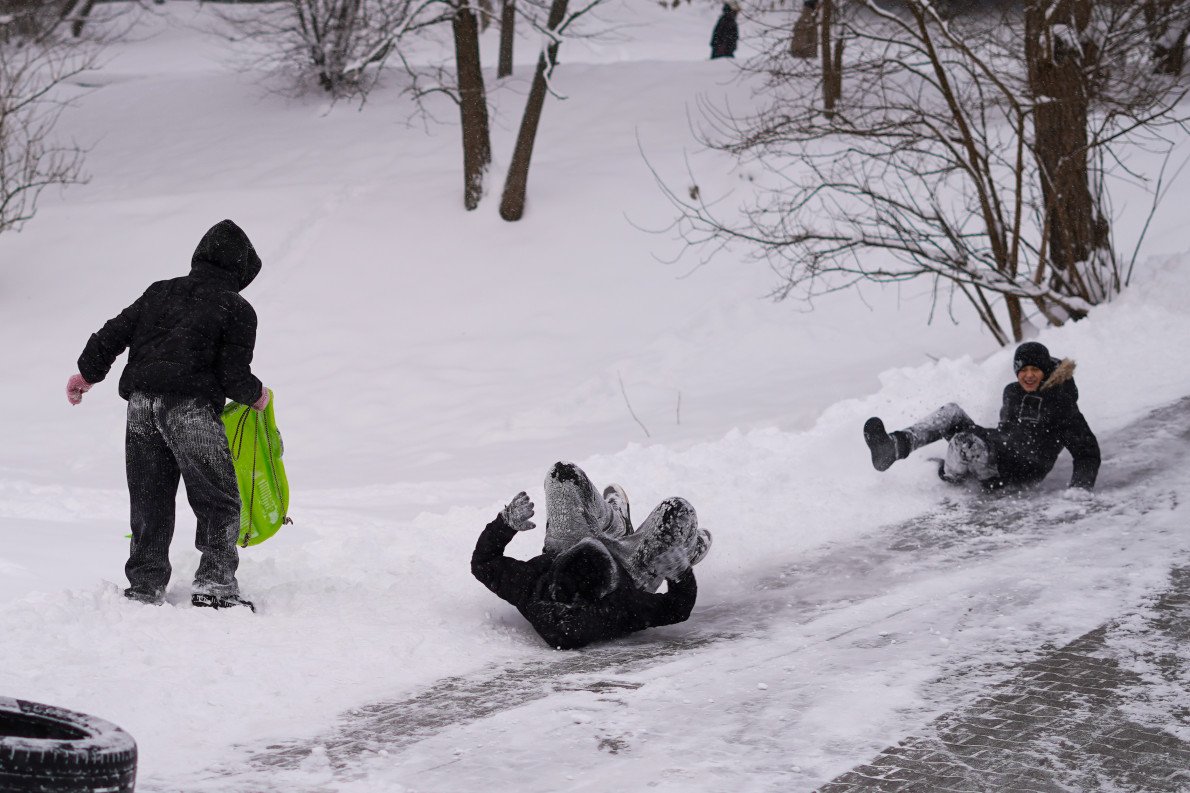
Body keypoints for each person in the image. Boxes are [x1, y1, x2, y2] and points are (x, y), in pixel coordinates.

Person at [66, 219, 269, 611]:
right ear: (242, 270)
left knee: (149, 498)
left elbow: (111, 333)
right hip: (189, 409)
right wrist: (255, 395)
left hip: (141, 406)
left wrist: (87, 374)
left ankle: (145, 586)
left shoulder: (160, 292)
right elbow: (233, 375)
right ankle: (215, 586)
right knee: (218, 499)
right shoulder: (238, 308)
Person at [471, 461, 712, 649]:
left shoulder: (533, 581)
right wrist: (680, 573)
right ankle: (687, 549)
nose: (595, 539)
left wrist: (505, 523)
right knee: (677, 510)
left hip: (565, 555)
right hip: (630, 571)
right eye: (600, 544)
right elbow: (677, 609)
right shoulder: (620, 607)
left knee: (562, 474)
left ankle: (615, 522)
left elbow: (483, 564)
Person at [863, 341, 1100, 491]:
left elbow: (1087, 452)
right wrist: (990, 443)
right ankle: (894, 446)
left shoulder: (1061, 403)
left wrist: (1079, 492)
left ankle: (952, 479)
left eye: (1035, 370)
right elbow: (1009, 432)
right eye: (1023, 370)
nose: (1028, 376)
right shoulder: (1013, 392)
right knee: (952, 412)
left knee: (964, 442)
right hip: (1001, 450)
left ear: (1045, 370)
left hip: (1015, 472)